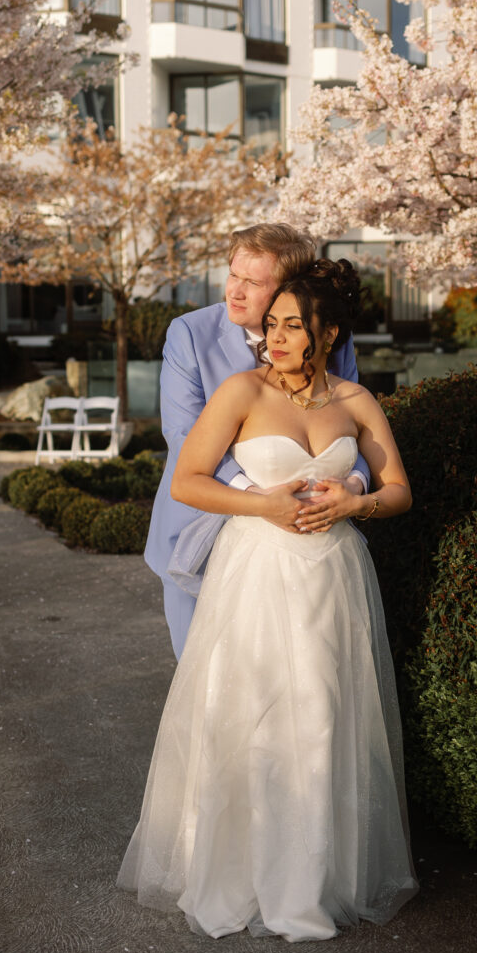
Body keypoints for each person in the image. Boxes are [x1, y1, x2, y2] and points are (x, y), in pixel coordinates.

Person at [117, 259, 419, 942]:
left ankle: (312, 883)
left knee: (323, 714)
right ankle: (244, 872)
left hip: (334, 574)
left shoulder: (355, 400)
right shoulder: (241, 391)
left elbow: (398, 488)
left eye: (292, 326)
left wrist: (358, 501)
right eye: (270, 324)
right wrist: (260, 504)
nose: (273, 337)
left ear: (329, 331)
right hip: (255, 571)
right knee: (253, 718)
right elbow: (189, 482)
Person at [143, 223, 370, 660]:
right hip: (198, 535)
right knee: (205, 683)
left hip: (303, 544)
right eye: (233, 275)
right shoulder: (189, 334)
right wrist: (260, 496)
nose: (235, 290)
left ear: (287, 288)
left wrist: (355, 484)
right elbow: (182, 434)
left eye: (253, 282)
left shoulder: (328, 336)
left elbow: (352, 423)